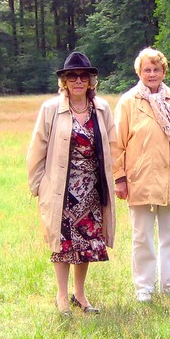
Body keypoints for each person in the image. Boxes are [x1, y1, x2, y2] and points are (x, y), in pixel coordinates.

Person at [26, 52, 116, 316]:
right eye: (72, 76)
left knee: (86, 243)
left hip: (92, 188)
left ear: (91, 81)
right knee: (63, 243)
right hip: (61, 188)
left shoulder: (102, 109)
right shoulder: (51, 109)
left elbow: (113, 144)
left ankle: (80, 294)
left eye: (83, 76)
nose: (78, 81)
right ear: (64, 81)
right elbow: (37, 149)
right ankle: (62, 296)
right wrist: (38, 185)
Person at [112, 48, 170, 302]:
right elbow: (117, 144)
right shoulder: (128, 102)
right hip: (140, 179)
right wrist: (119, 177)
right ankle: (144, 287)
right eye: (147, 70)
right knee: (142, 236)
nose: (151, 74)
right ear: (139, 72)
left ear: (163, 72)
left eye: (156, 69)